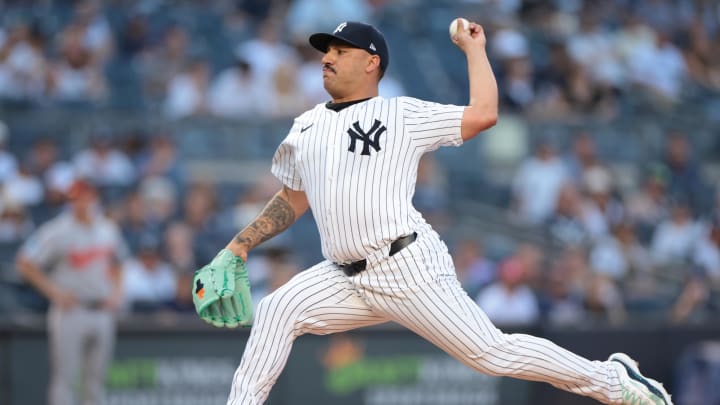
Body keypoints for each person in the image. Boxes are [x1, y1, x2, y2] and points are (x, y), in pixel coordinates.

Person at [205, 21, 672, 405]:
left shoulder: (400, 114)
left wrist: (474, 49)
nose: (327, 57)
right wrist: (237, 246)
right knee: (277, 309)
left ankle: (613, 380)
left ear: (372, 63)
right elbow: (293, 198)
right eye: (325, 50)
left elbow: (484, 113)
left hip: (405, 266)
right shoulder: (305, 125)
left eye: (341, 50)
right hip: (343, 275)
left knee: (492, 354)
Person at [16, 179, 129, 405]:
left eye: (86, 196)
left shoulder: (107, 228)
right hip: (71, 311)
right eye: (77, 198)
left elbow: (119, 262)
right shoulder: (57, 230)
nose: (82, 202)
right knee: (65, 381)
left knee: (96, 381)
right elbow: (25, 262)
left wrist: (117, 292)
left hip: (102, 310)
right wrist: (54, 292)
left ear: (94, 198)